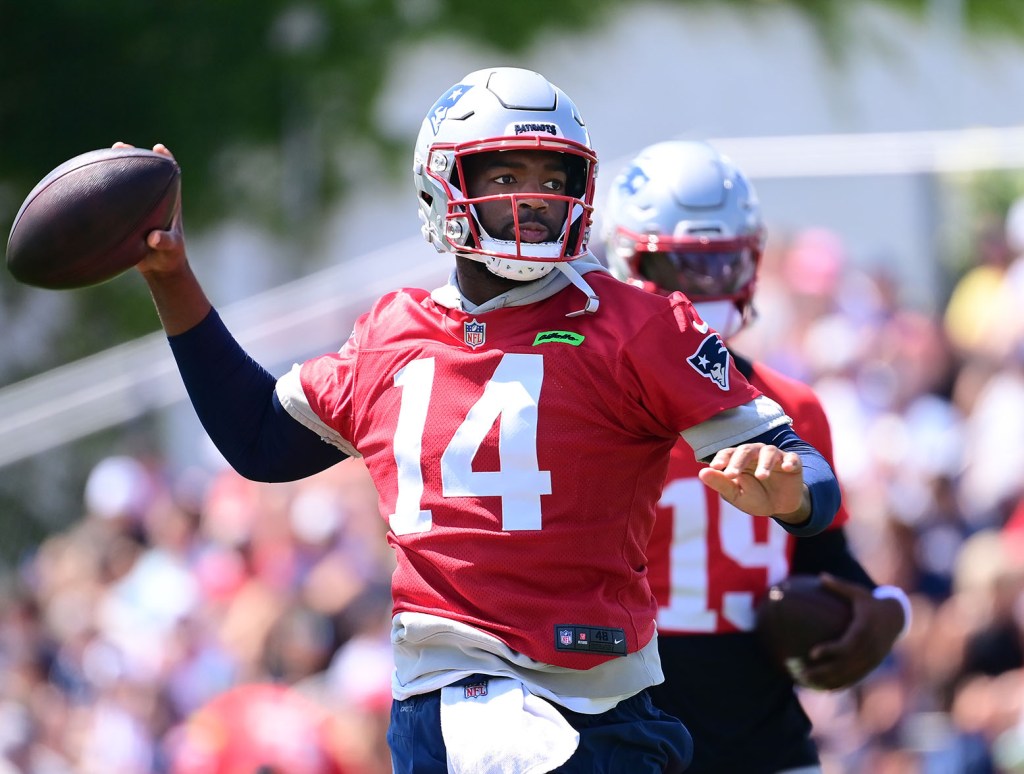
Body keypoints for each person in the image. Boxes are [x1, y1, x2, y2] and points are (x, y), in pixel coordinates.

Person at [126, 67, 842, 773]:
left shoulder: (638, 325)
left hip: (603, 697)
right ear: (442, 185)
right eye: (504, 178)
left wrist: (793, 491)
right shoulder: (391, 334)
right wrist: (172, 277)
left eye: (552, 178)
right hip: (457, 700)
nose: (532, 200)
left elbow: (805, 469)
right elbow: (259, 440)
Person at [601, 139, 911, 774]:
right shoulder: (597, 410)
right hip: (630, 725)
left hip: (761, 727)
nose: (702, 287)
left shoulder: (790, 406)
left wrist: (885, 610)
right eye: (681, 267)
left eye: (721, 265)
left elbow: (826, 559)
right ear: (631, 263)